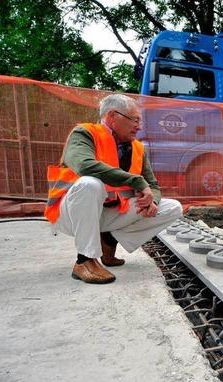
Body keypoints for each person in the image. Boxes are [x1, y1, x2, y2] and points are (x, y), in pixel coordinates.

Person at [44, 94, 183, 284]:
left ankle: (109, 238)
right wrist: (136, 181)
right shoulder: (84, 134)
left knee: (173, 207)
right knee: (90, 184)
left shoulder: (138, 148)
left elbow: (153, 185)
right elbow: (84, 165)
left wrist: (153, 201)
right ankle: (84, 260)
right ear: (112, 116)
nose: (139, 126)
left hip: (110, 213)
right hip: (70, 215)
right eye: (134, 120)